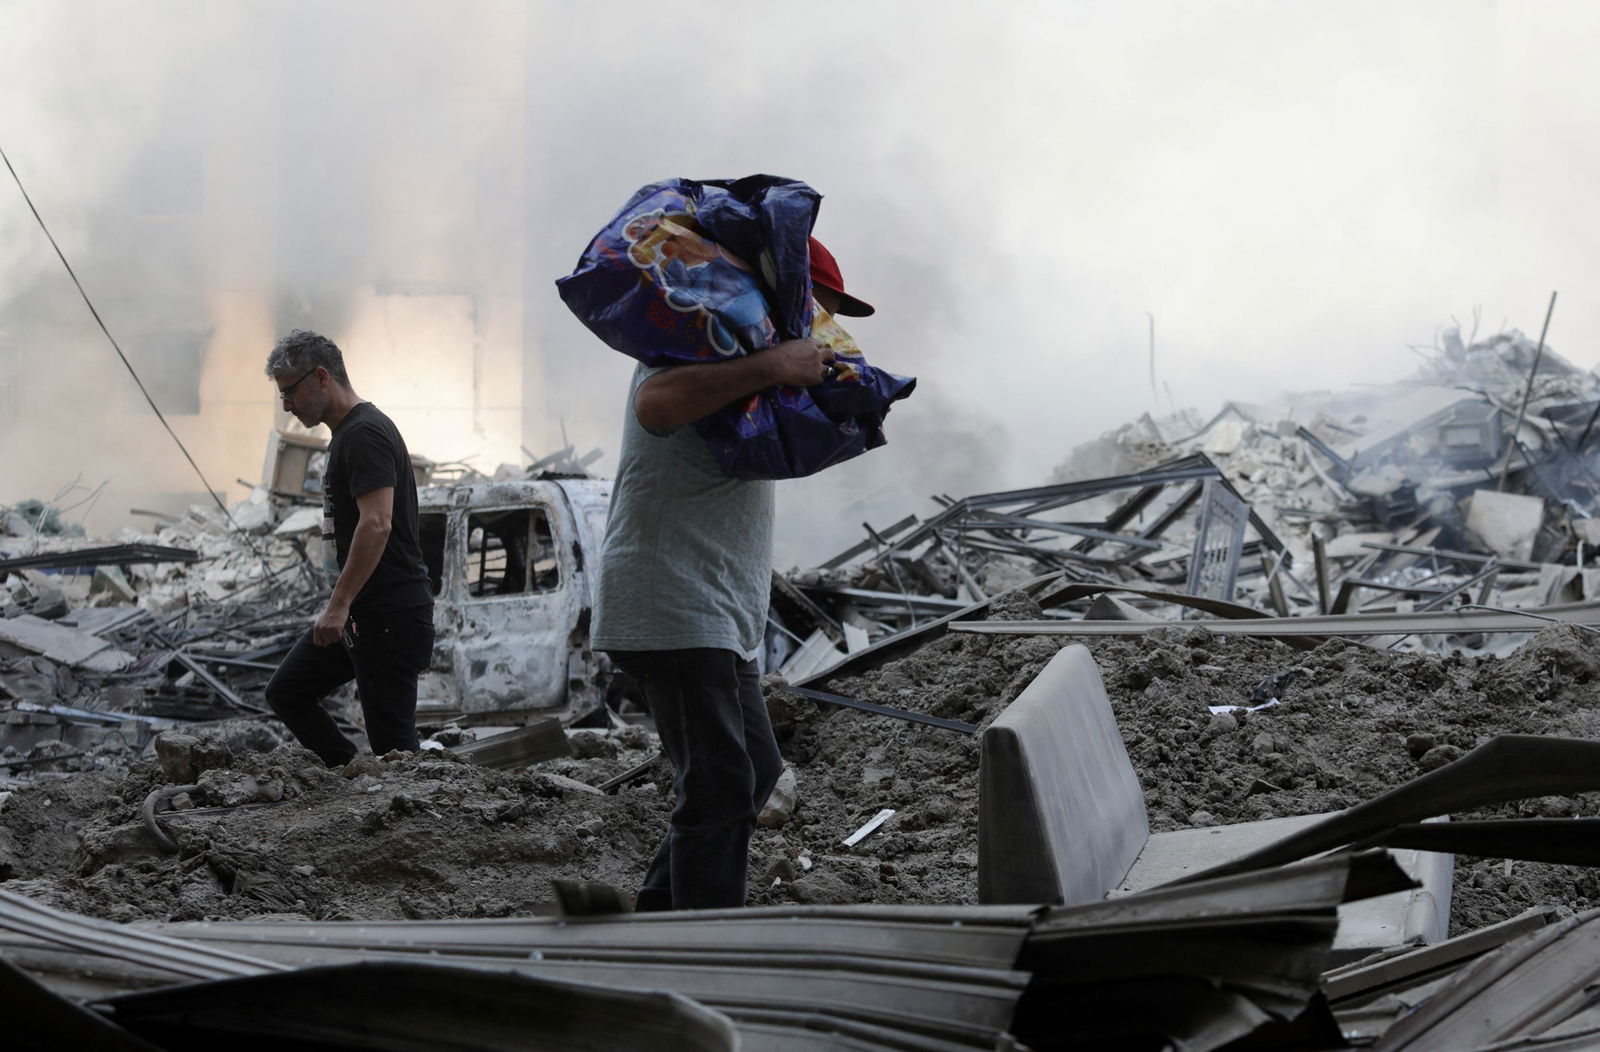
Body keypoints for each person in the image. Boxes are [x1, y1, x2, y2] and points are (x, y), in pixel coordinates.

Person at [594, 237, 875, 911]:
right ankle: (701, 951)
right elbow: (655, 404)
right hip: (675, 605)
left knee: (751, 777)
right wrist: (776, 362)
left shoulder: (747, 361)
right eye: (820, 311)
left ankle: (655, 920)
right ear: (783, 297)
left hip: (716, 618)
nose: (822, 331)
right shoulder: (702, 335)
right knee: (722, 784)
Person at [262, 330, 435, 768]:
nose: (287, 405)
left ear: (321, 377)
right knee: (287, 691)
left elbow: (376, 523)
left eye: (290, 393)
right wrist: (343, 606)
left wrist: (337, 606)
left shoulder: (364, 433)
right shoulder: (346, 435)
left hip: (388, 616)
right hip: (364, 612)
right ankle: (354, 776)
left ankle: (411, 819)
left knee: (395, 751)